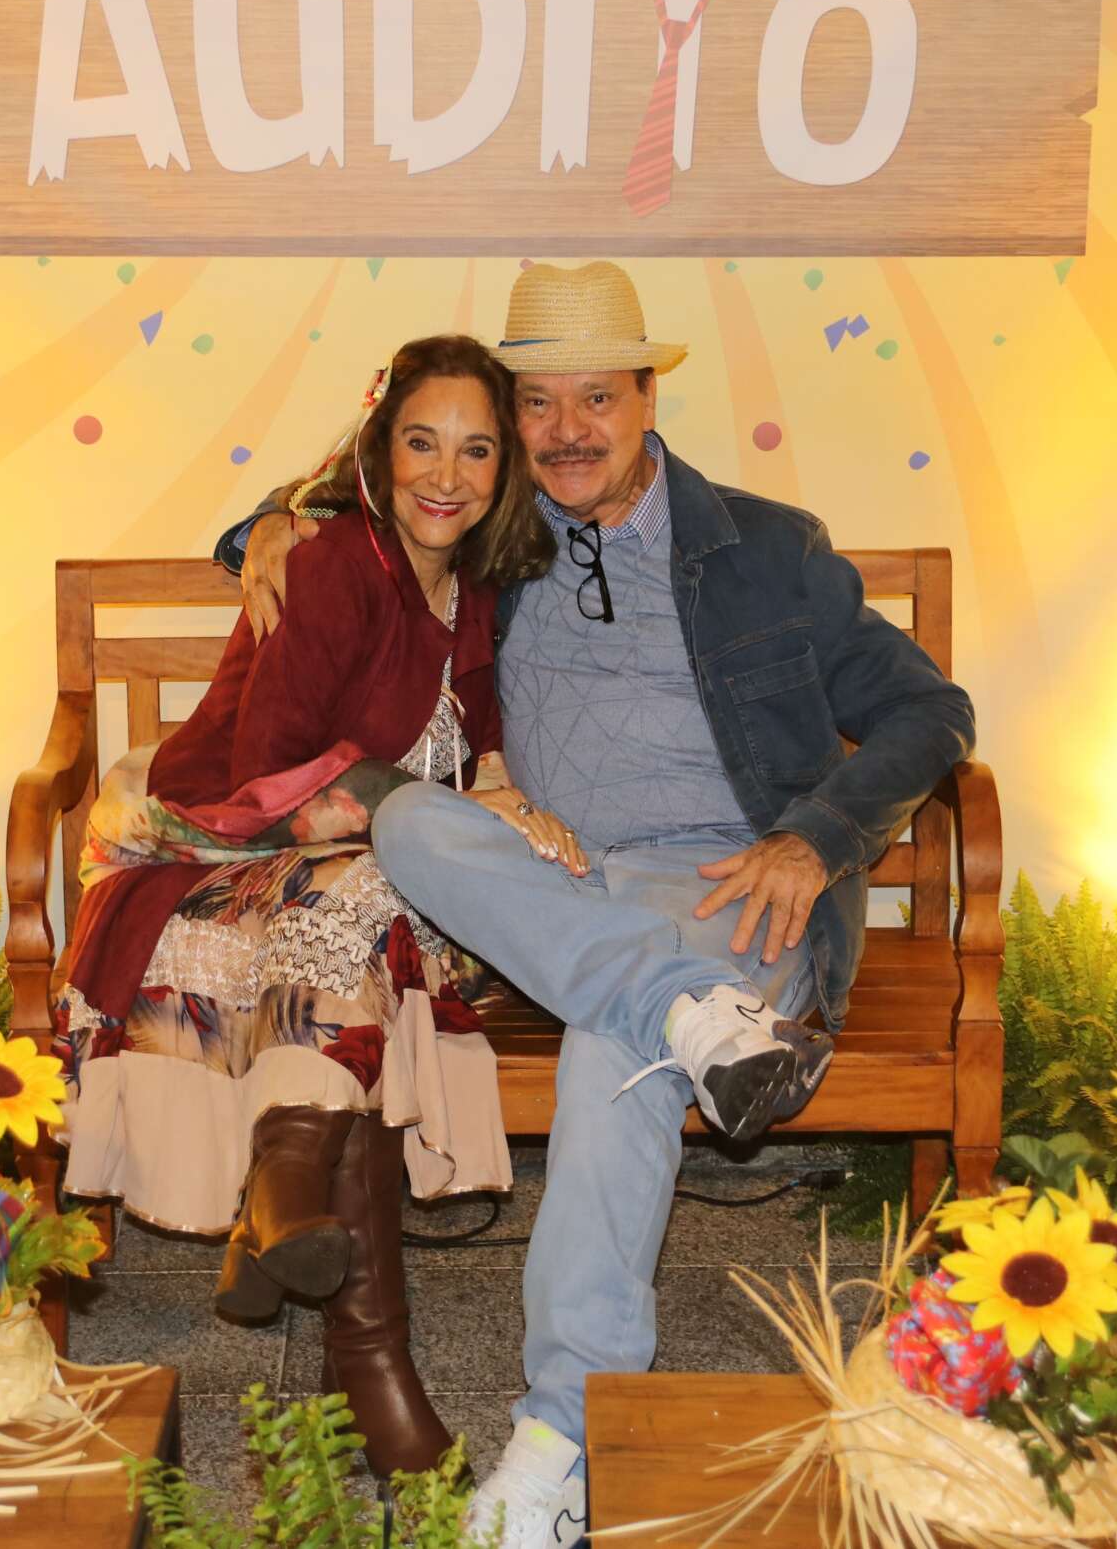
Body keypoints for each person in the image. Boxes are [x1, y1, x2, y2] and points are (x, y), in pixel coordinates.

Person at [222, 262, 977, 1548]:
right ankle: (694, 1015)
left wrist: (815, 840)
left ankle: (559, 1442)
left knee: (610, 1053)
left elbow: (930, 711)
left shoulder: (766, 550)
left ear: (646, 399)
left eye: (598, 399)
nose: (567, 430)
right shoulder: (497, 538)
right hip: (551, 881)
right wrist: (272, 525)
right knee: (410, 819)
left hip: (723, 879)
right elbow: (380, 496)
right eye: (537, 404)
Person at [52, 333, 558, 1478]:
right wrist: (409, 807)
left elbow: (476, 739)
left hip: (331, 885)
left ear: (505, 467)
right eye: (421, 443)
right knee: (373, 895)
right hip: (206, 844)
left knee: (373, 898)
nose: (447, 474)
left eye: (476, 450)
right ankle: (367, 1356)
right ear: (380, 450)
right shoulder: (330, 564)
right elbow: (266, 768)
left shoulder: (474, 585)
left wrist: (503, 803)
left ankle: (285, 1201)